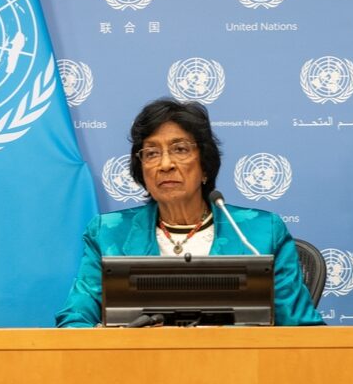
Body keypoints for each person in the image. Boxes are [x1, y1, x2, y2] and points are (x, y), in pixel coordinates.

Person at [56, 98, 323, 327]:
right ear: (141, 171)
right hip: (139, 375)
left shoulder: (260, 234)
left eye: (180, 149)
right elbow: (75, 319)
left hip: (241, 376)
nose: (165, 164)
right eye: (151, 153)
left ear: (205, 165)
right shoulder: (108, 234)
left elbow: (302, 329)